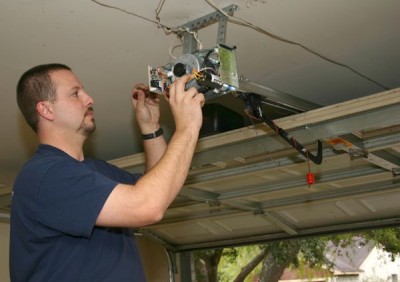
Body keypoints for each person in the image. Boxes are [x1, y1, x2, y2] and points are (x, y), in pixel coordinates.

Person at [10, 63, 205, 281]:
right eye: (76, 94)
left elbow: (160, 190)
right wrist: (188, 127)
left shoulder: (94, 171)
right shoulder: (45, 176)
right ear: (46, 110)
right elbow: (148, 207)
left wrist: (150, 127)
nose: (89, 98)